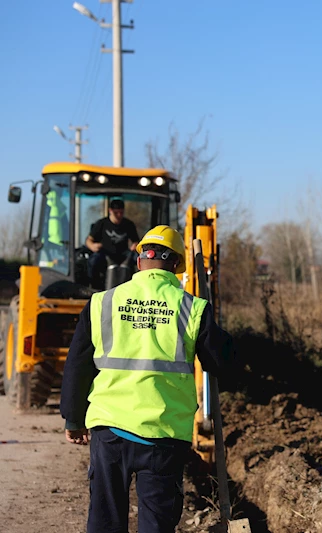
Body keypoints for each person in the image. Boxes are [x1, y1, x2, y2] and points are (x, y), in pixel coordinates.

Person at [60, 225, 236, 533]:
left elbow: (77, 365)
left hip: (109, 430)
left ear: (139, 261)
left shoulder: (102, 302)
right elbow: (222, 363)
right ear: (175, 266)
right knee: (156, 524)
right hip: (163, 436)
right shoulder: (192, 308)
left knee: (105, 519)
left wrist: (73, 419)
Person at [86, 198, 140, 289]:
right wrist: (92, 246)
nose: (119, 215)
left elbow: (136, 241)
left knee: (140, 259)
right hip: (105, 253)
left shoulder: (128, 224)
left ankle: (137, 286)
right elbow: (89, 240)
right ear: (110, 211)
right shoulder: (101, 223)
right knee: (93, 261)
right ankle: (94, 287)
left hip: (124, 254)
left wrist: (135, 246)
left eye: (121, 213)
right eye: (116, 213)